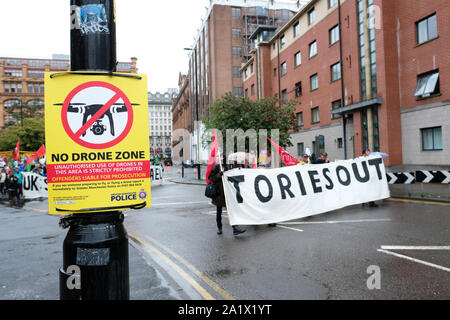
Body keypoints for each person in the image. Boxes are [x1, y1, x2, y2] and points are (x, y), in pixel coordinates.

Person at [208, 155, 246, 236]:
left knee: (231, 211)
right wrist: (219, 175)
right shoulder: (217, 167)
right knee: (219, 212)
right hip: (219, 194)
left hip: (227, 193)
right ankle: (219, 228)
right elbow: (210, 178)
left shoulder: (229, 167)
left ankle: (235, 228)